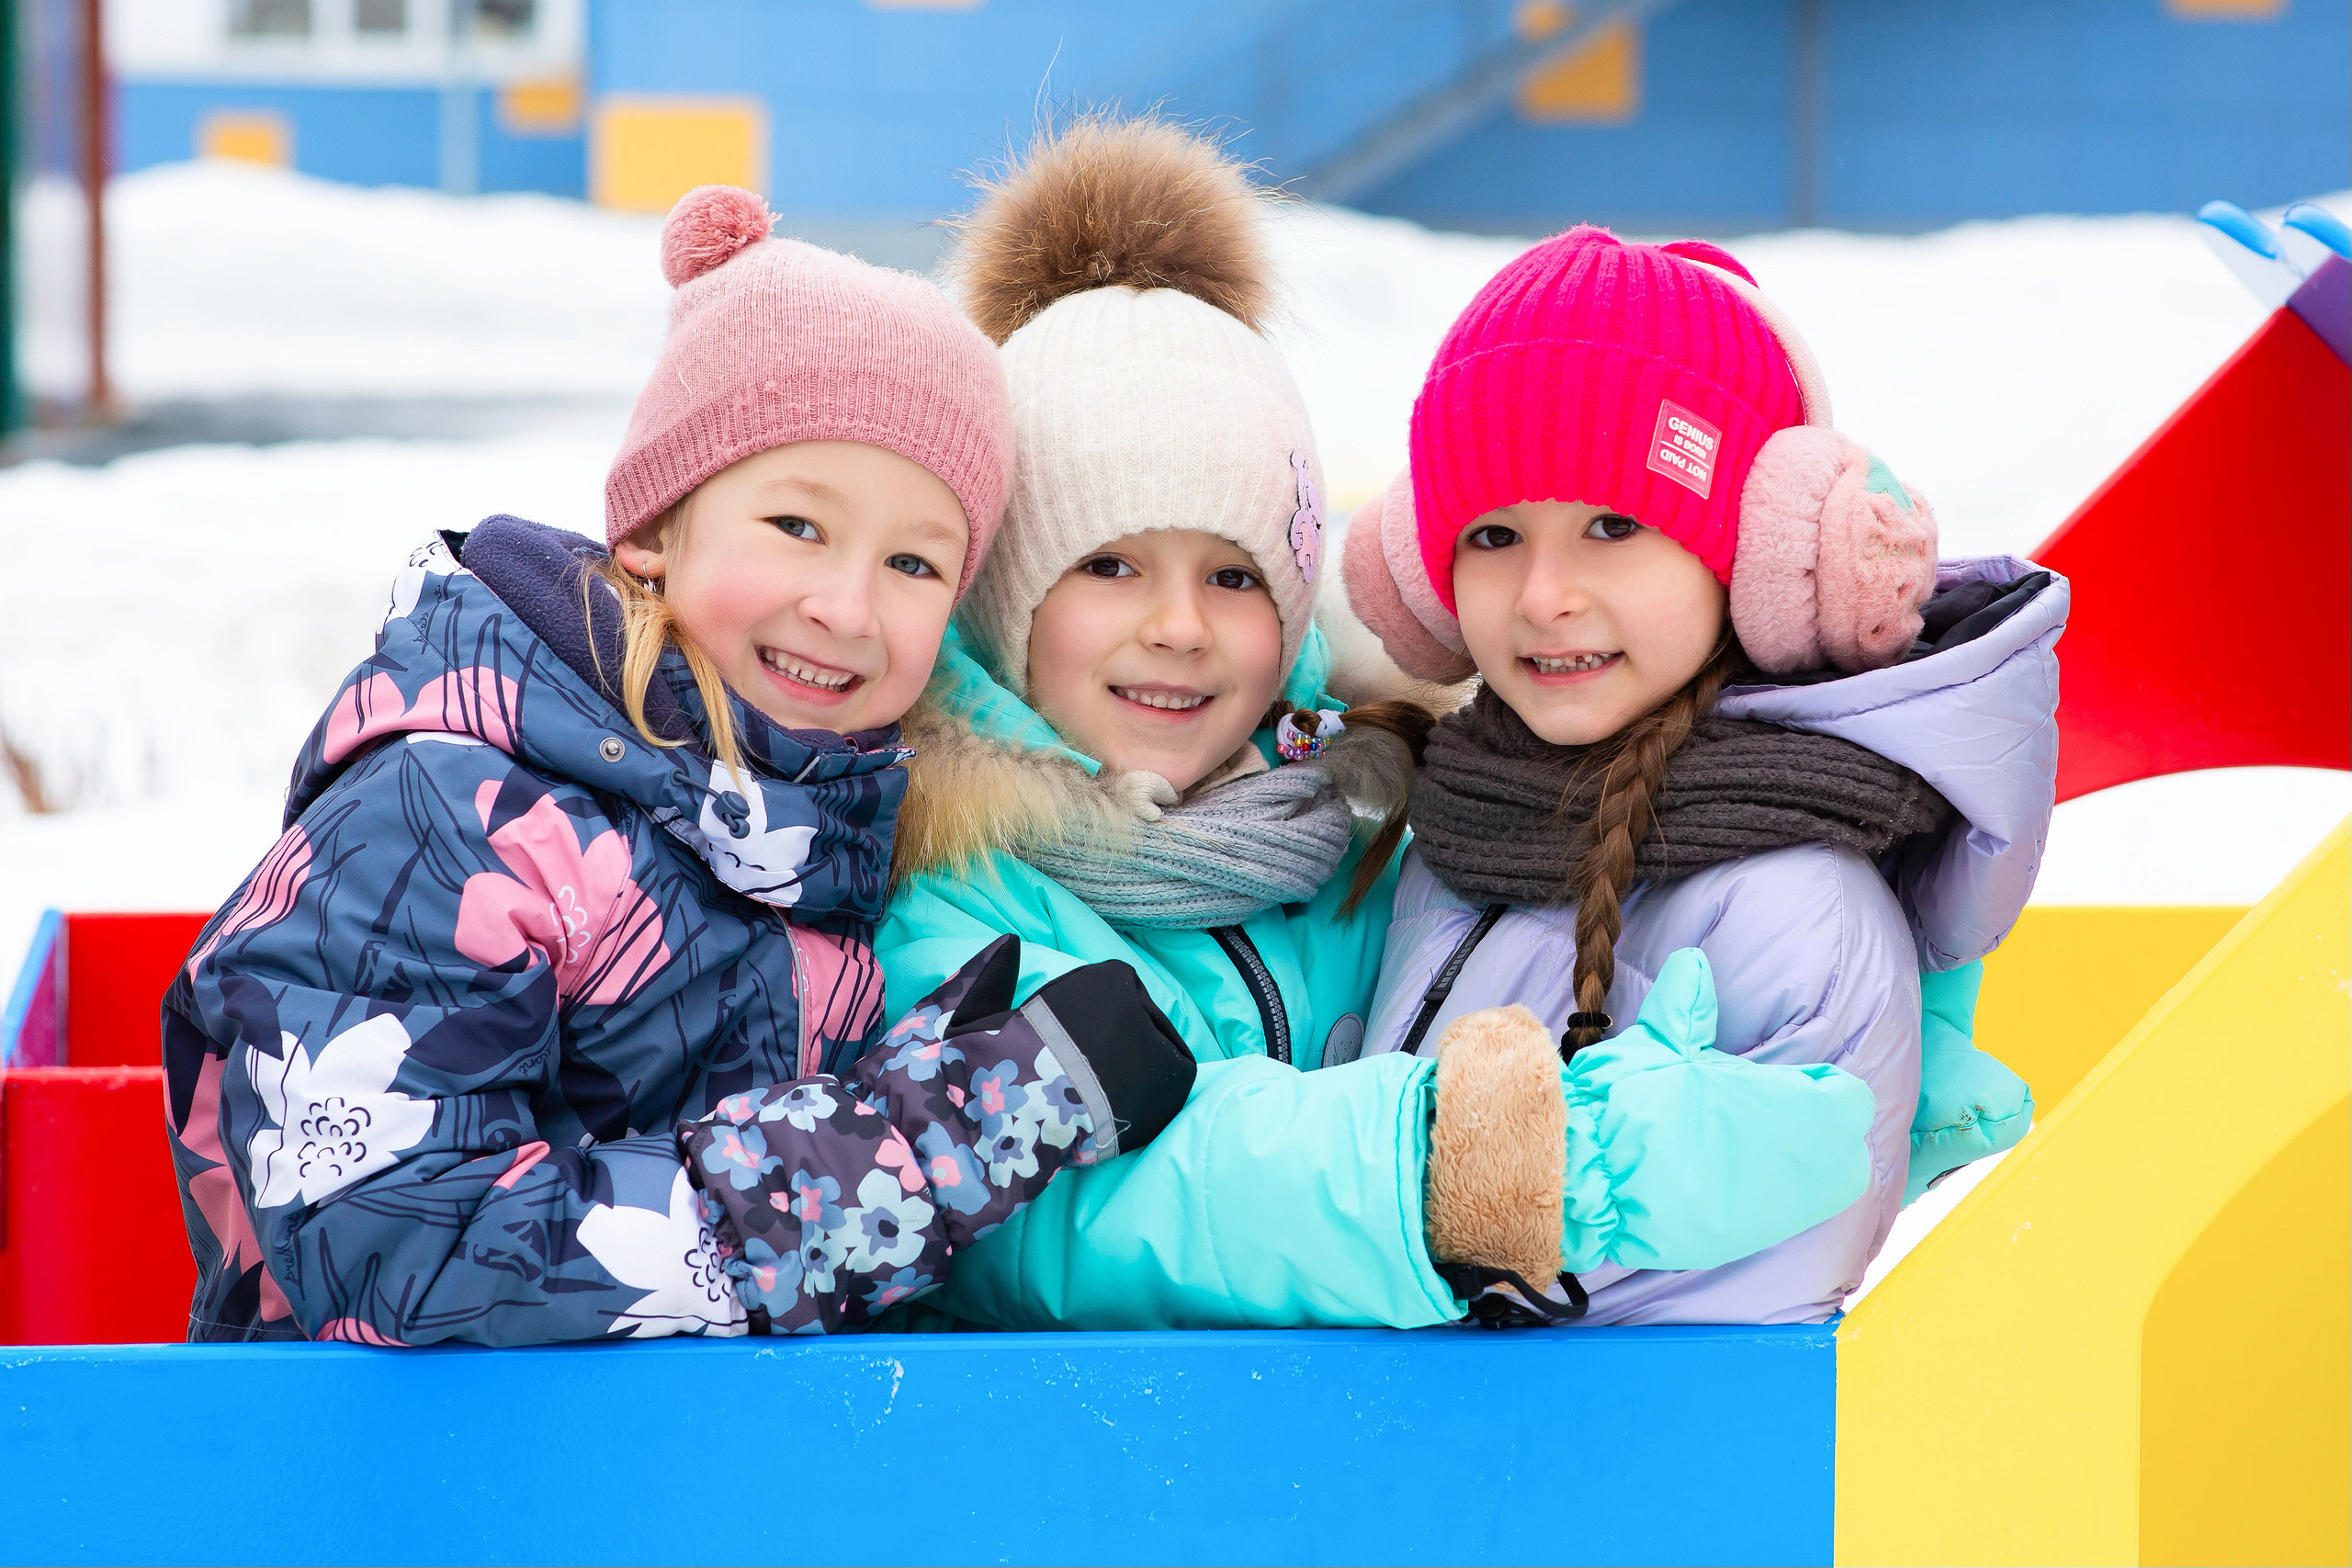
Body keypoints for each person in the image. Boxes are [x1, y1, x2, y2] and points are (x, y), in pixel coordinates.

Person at [873, 120, 1876, 1334]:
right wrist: (1445, 1166)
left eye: (1235, 576)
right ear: (1001, 597)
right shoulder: (943, 891)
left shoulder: (1368, 840)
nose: (1181, 626)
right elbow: (1073, 1210)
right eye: (1109, 563)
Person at [162, 186, 1193, 1347]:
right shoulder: (452, 818)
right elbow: (419, 1262)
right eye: (797, 527)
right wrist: (951, 1130)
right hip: (409, 1503)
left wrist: (925, 1068)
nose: (847, 606)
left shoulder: (804, 828)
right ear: (656, 527)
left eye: (913, 561)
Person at [1343, 224, 2060, 1323]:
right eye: (1492, 535)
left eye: (1612, 526)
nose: (1542, 596)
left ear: (1767, 558)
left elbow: (1704, 1300)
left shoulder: (1793, 911)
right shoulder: (1463, 825)